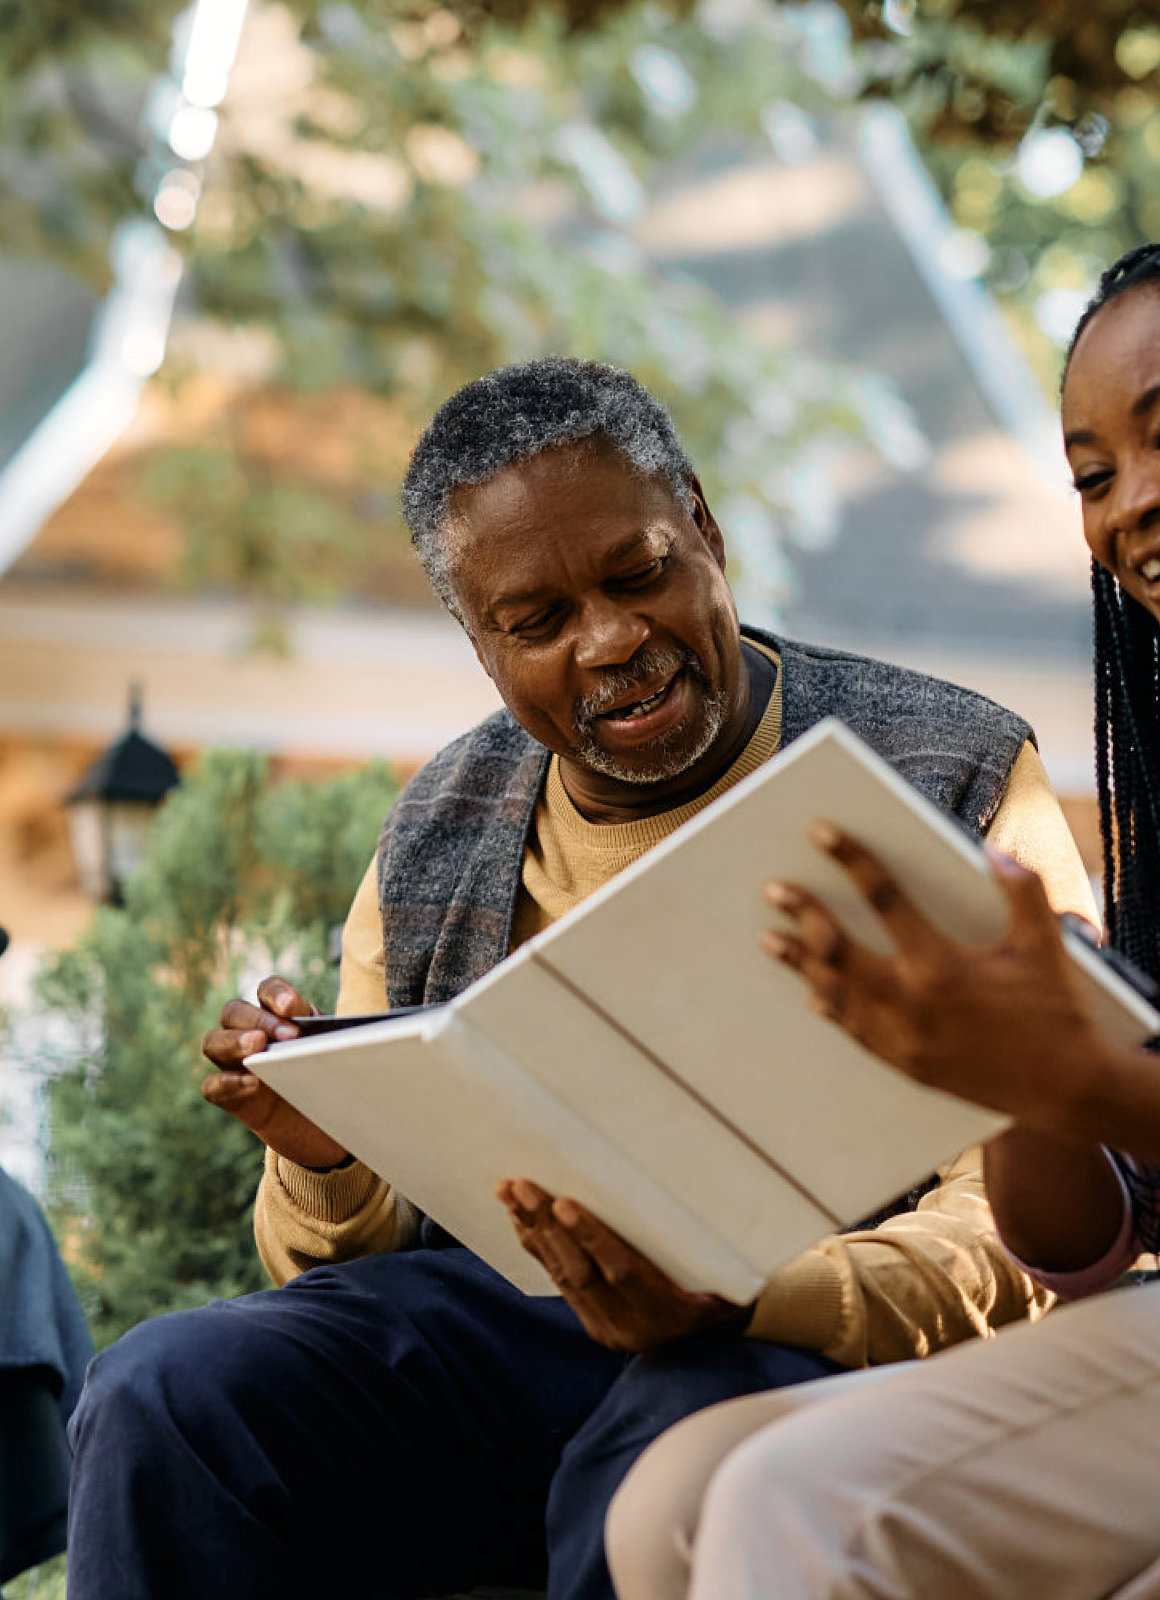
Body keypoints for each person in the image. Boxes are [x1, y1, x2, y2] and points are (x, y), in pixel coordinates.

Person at [64, 357, 1097, 1600]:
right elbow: (337, 1284)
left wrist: (755, 1297)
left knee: (665, 1429)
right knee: (166, 1388)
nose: (610, 641)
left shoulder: (951, 773)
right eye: (538, 621)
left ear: (705, 531)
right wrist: (327, 1152)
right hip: (518, 1338)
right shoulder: (436, 825)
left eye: (637, 573)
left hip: (803, 1341)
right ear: (477, 639)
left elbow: (1031, 1226)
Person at [603, 231, 1160, 1600]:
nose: (1131, 505)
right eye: (1093, 477)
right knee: (671, 1496)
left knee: (814, 1501)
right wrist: (1009, 1081)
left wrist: (1082, 1072)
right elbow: (1083, 1248)